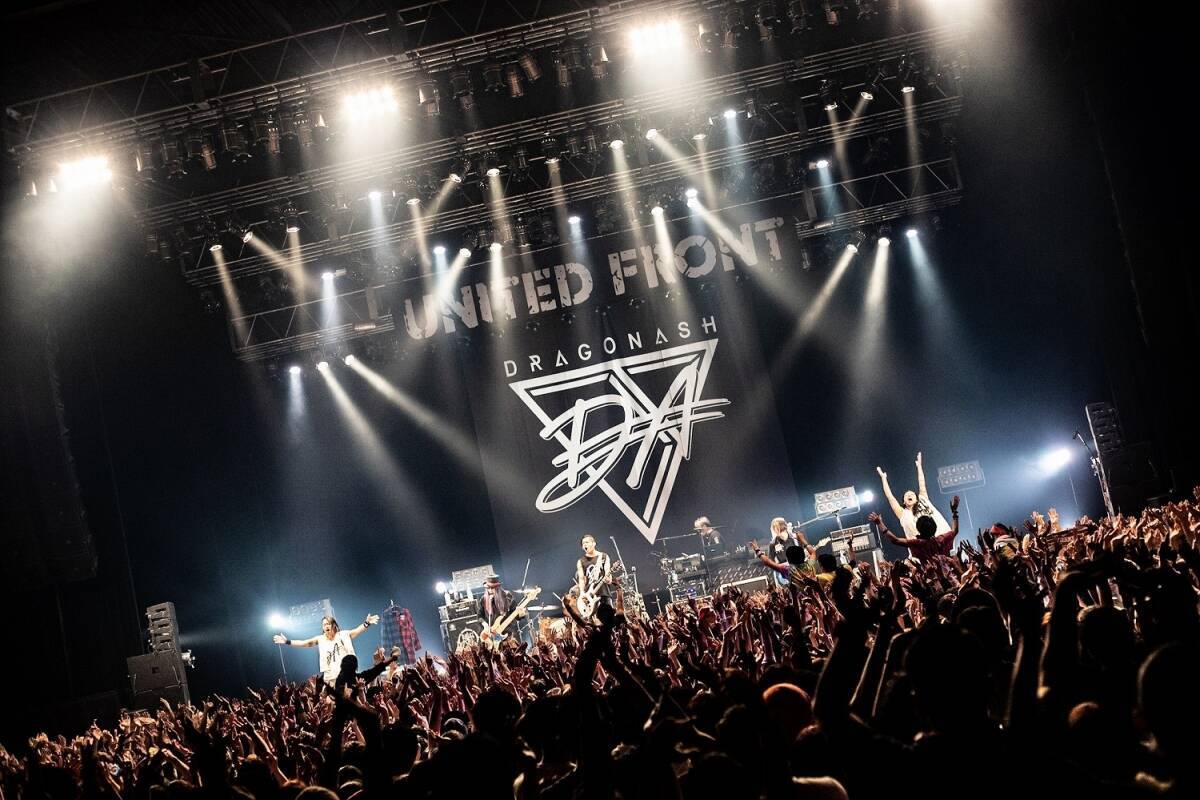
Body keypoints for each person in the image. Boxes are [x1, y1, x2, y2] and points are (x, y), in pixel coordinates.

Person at [272, 613, 380, 686]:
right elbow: (304, 643)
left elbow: (357, 631)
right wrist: (287, 641)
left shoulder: (343, 635)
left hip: (346, 675)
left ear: (333, 625)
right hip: (330, 678)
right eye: (324, 625)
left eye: (328, 624)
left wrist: (367, 623)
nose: (326, 626)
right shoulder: (320, 639)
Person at [876, 451, 952, 539]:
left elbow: (921, 482)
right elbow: (890, 497)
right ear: (904, 502)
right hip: (921, 546)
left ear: (917, 498)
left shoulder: (923, 500)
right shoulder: (902, 513)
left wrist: (919, 466)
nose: (910, 495)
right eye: (907, 495)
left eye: (912, 494)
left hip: (942, 538)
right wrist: (883, 478)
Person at [871, 494, 960, 561]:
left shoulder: (918, 544)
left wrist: (880, 523)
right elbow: (954, 530)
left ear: (918, 529)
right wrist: (954, 512)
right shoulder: (941, 540)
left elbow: (895, 540)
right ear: (935, 527)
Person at [575, 534, 613, 615]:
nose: (585, 545)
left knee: (609, 618)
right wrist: (582, 592)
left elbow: (608, 572)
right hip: (590, 596)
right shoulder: (581, 561)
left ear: (594, 543)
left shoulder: (604, 556)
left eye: (587, 542)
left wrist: (609, 579)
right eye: (583, 544)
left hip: (604, 593)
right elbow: (581, 579)